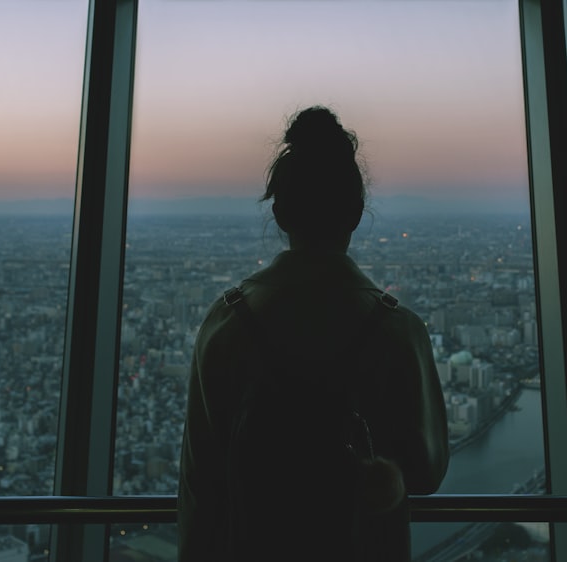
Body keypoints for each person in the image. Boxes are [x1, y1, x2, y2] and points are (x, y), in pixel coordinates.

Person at [177, 106, 449, 561]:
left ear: (280, 213)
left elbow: (199, 485)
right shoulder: (398, 332)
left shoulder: (226, 324)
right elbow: (427, 472)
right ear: (357, 213)